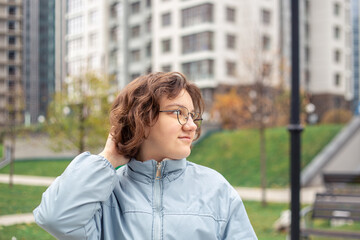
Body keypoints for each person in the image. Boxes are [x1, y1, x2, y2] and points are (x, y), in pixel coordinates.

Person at [34, 72, 257, 240]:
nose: (191, 126)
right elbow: (54, 218)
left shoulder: (216, 190)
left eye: (192, 116)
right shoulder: (105, 195)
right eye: (179, 113)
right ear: (143, 117)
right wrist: (109, 157)